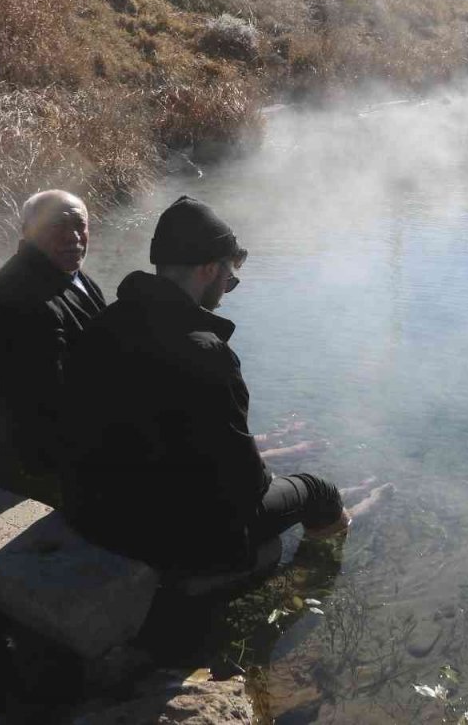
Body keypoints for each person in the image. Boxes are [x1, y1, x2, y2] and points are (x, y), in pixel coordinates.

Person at [60, 195, 349, 573]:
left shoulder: (100, 325)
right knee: (319, 491)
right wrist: (266, 472)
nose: (229, 286)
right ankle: (315, 577)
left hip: (92, 517)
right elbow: (248, 489)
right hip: (172, 541)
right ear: (209, 270)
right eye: (229, 277)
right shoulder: (206, 353)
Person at [0, 190, 106, 500]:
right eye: (57, 226)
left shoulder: (70, 276)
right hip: (45, 462)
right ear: (27, 232)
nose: (73, 236)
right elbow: (49, 400)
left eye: (80, 224)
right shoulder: (24, 298)